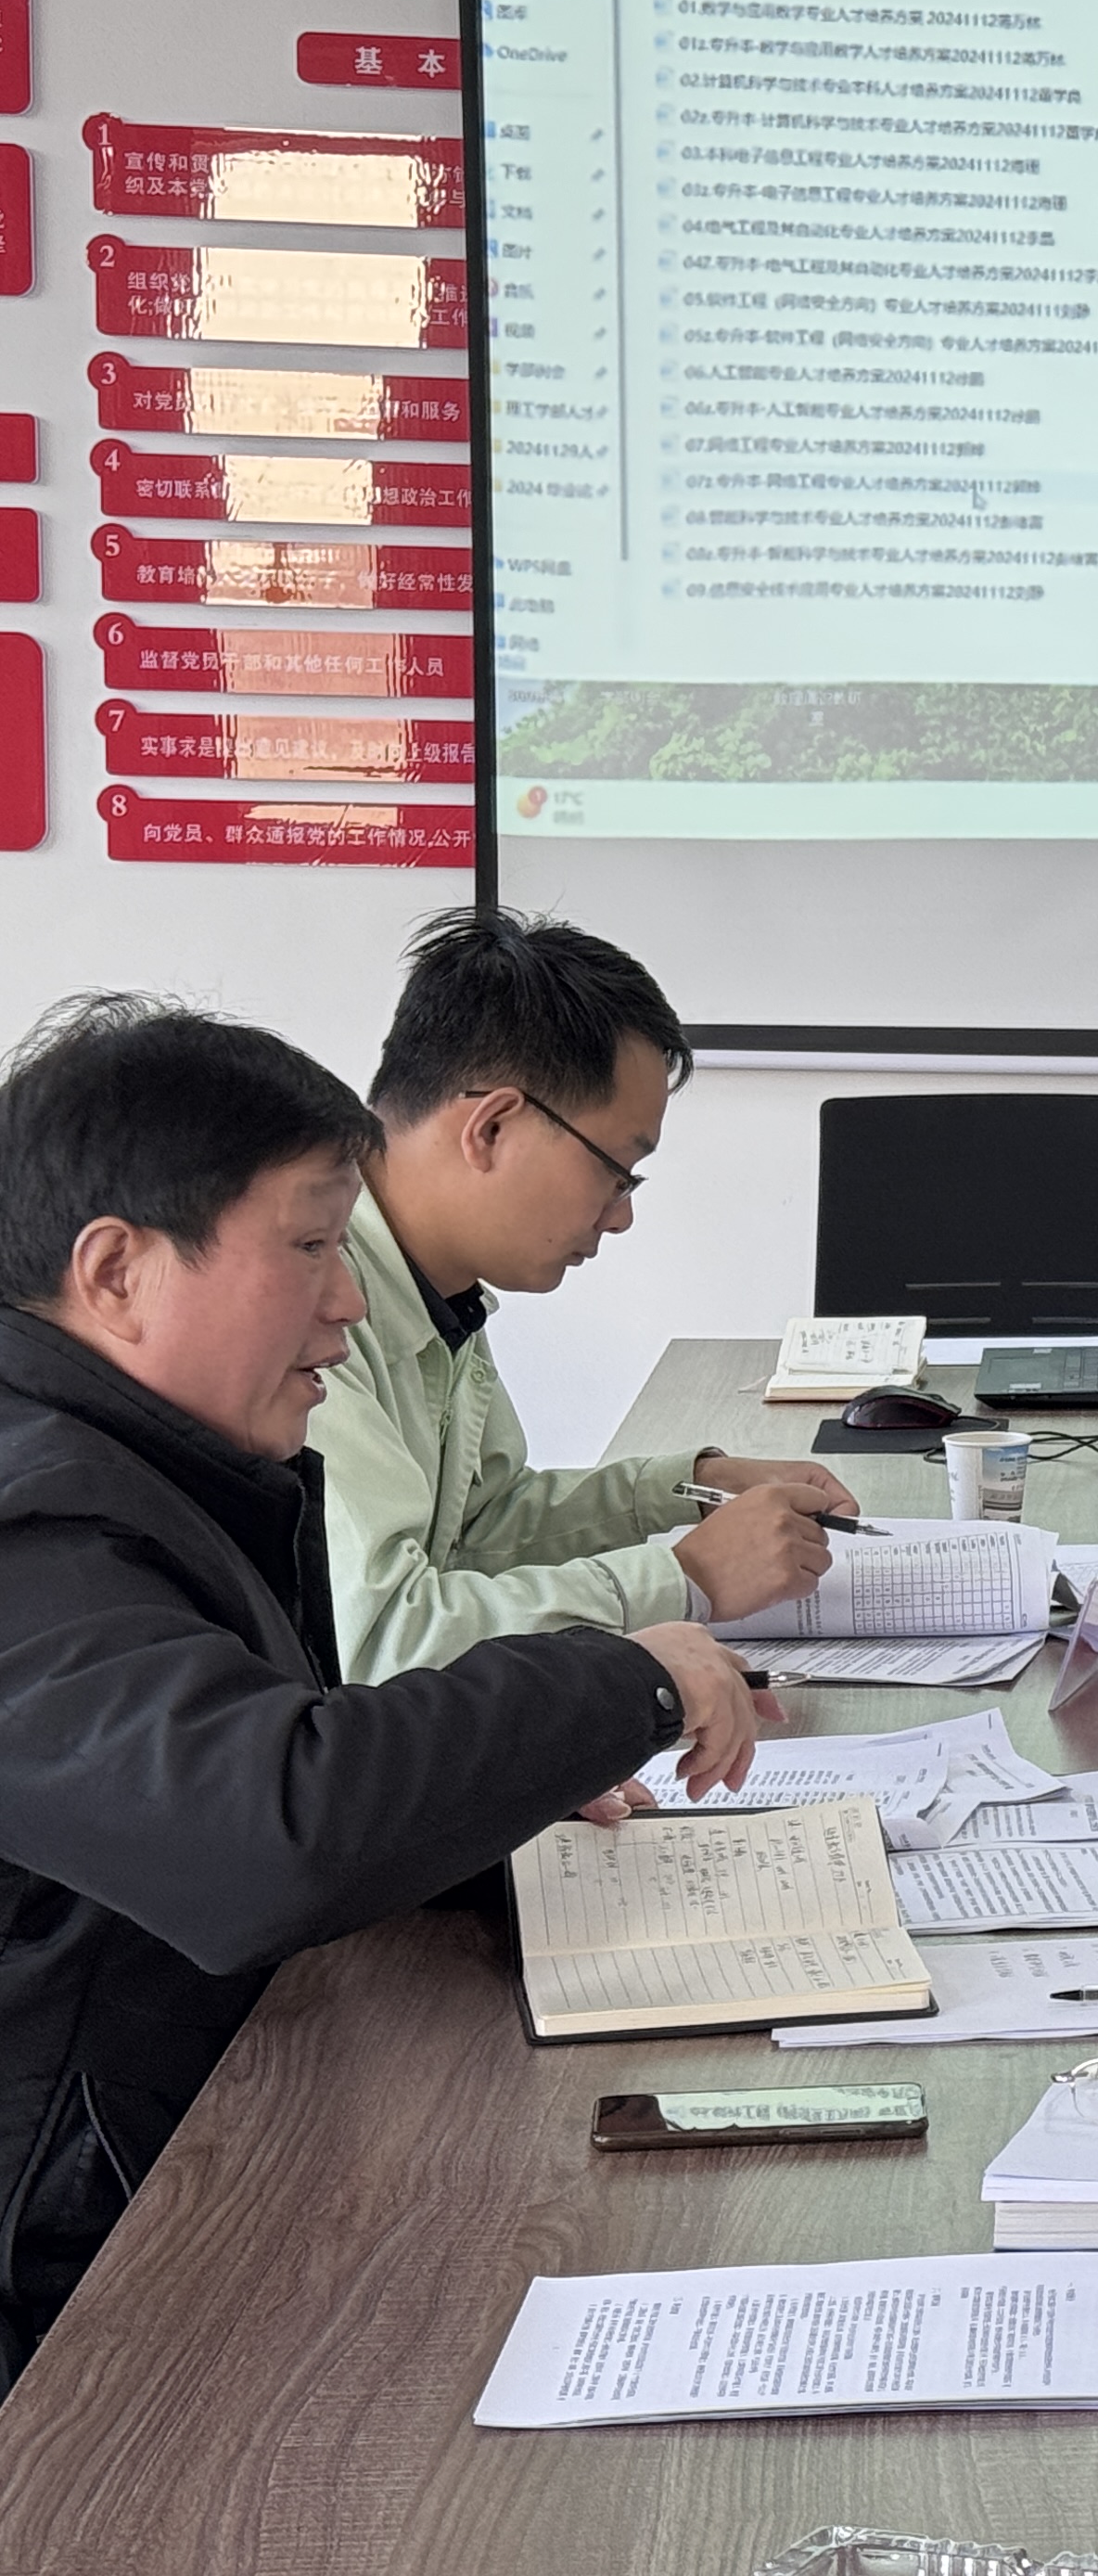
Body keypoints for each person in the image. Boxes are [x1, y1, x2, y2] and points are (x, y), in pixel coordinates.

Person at [0, 996, 766, 2386]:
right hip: (70, 2284)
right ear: (116, 1272)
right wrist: (621, 1677)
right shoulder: (31, 1528)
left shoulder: (155, 1468)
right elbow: (265, 1830)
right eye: (308, 1248)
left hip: (185, 2140)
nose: (350, 1301)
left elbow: (273, 1754)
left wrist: (486, 1795)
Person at [313, 908, 856, 1685]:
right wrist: (685, 1577)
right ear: (491, 1128)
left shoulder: (434, 1281)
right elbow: (381, 1642)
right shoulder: (312, 1302)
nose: (622, 1214)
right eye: (617, 1171)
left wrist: (687, 1490)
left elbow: (477, 1531)